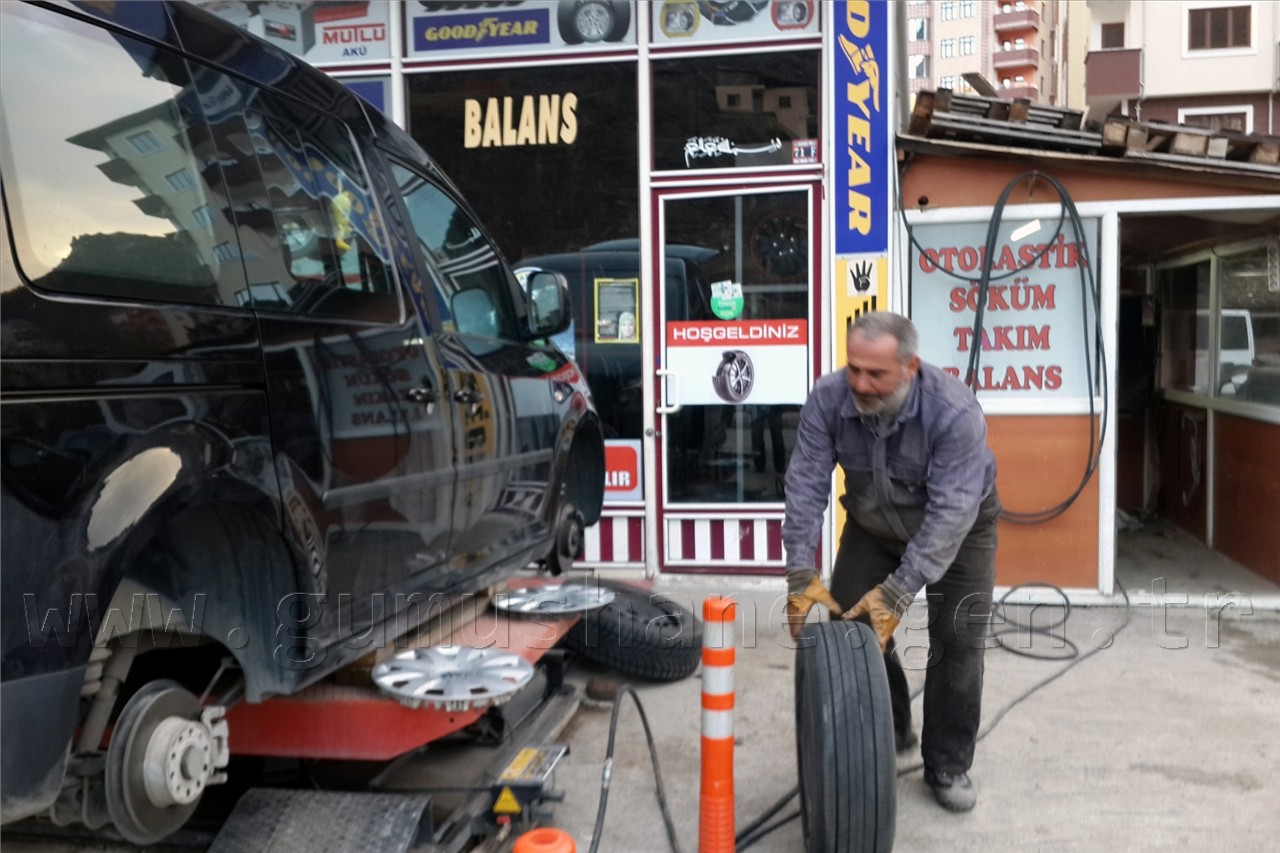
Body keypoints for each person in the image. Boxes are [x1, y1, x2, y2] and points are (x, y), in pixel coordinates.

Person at [781, 311, 1000, 812]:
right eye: (854, 368)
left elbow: (950, 515)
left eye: (875, 374)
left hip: (961, 531)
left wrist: (899, 593)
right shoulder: (829, 398)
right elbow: (807, 481)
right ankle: (893, 723)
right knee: (852, 625)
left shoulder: (953, 411)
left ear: (910, 367)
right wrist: (799, 567)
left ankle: (946, 762)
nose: (860, 383)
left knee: (958, 642)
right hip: (873, 524)